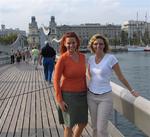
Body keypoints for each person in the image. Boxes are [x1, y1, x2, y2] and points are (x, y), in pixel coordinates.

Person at [87, 34, 139, 137]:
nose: (98, 46)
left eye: (101, 44)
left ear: (104, 45)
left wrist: (132, 90)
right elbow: (88, 74)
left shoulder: (111, 58)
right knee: (94, 127)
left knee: (101, 129)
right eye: (96, 44)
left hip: (105, 97)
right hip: (91, 96)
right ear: (92, 45)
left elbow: (121, 77)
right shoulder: (91, 59)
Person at [53, 32, 88, 137]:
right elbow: (56, 80)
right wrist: (60, 100)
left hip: (82, 95)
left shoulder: (82, 57)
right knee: (69, 125)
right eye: (68, 43)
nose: (71, 45)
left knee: (83, 122)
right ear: (64, 43)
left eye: (73, 42)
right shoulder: (62, 59)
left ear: (77, 43)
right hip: (68, 96)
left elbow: (84, 75)